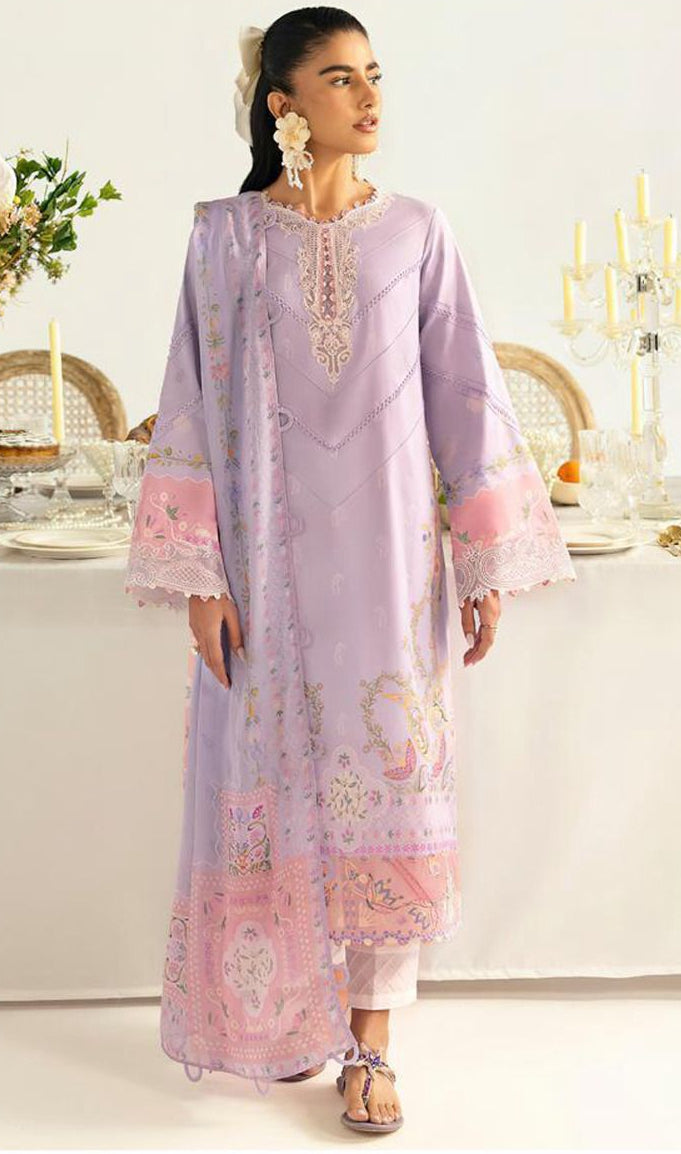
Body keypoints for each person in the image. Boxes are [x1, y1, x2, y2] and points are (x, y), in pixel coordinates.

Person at [125, 6, 577, 1134]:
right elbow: (187, 402)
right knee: (266, 781)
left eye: (375, 74)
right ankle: (282, 1015)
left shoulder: (417, 231)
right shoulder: (223, 239)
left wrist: (481, 558)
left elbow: (466, 394)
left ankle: (372, 1045)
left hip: (392, 568)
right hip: (262, 573)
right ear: (283, 104)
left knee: (391, 788)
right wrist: (200, 577)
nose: (370, 97)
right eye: (340, 78)